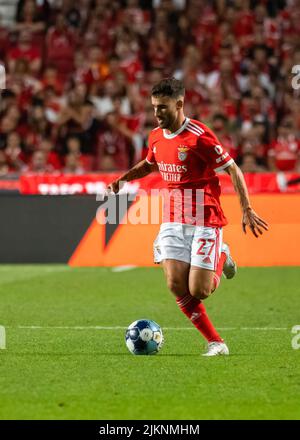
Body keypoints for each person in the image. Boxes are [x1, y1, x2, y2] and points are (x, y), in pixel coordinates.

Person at [108, 78, 268, 356]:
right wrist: (124, 178)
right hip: (173, 218)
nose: (157, 114)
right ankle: (216, 342)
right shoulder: (156, 136)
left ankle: (222, 256)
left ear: (179, 104)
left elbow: (233, 170)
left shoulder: (199, 136)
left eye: (163, 108)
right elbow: (149, 164)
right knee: (174, 284)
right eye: (154, 107)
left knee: (200, 290)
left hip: (205, 218)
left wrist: (247, 209)